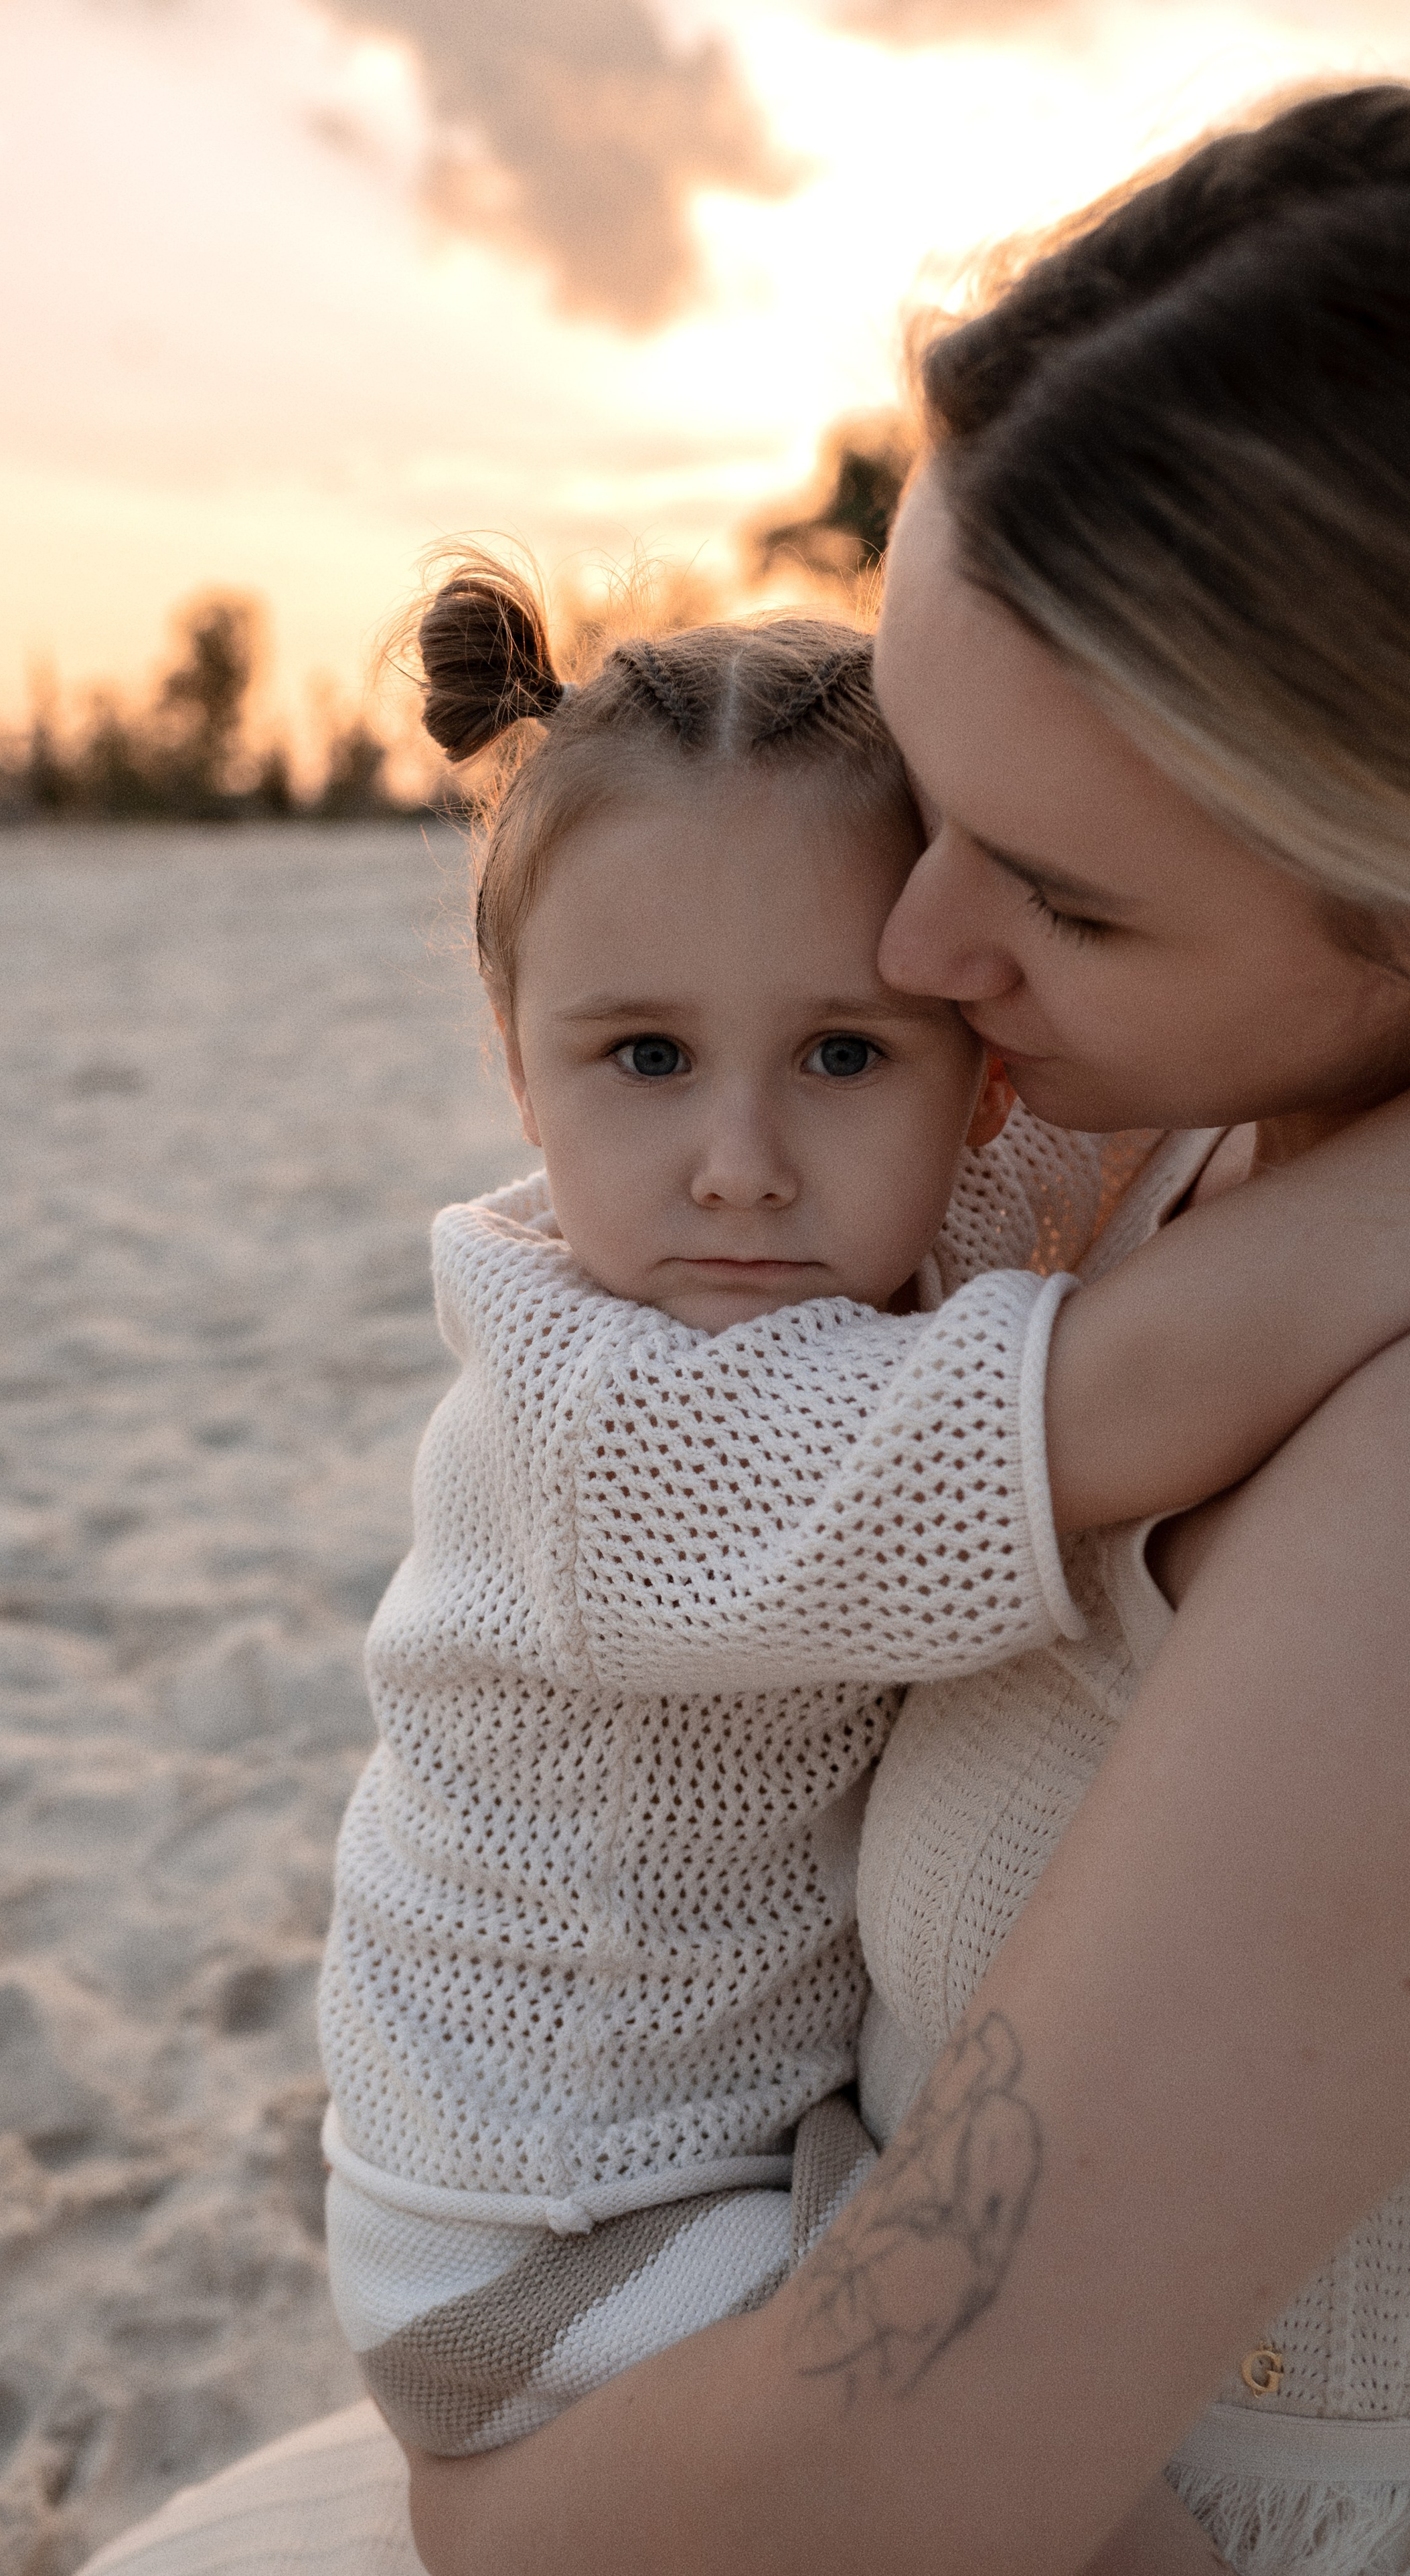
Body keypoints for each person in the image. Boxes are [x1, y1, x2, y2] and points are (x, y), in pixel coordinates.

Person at [82, 79, 1410, 2576]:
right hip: (617, 2233)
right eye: (936, 815)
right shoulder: (1093, 1154)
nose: (916, 967)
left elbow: (903, 2465)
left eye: (1054, 899)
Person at [318, 573, 1410, 2481]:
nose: (742, 1162)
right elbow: (1128, 1392)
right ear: (519, 1064)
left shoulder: (906, 1208)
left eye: (844, 1053)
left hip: (735, 2142)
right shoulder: (616, 1417)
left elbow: (1155, 1090)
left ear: (978, 1074)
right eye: (642, 1059)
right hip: (559, 2220)